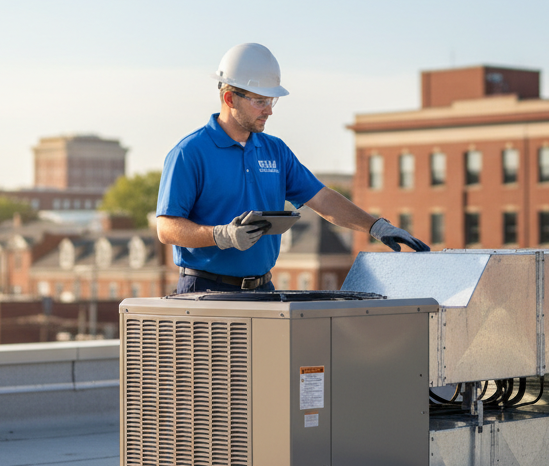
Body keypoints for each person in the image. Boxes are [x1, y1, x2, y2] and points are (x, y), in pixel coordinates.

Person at [156, 43, 428, 294]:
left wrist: (376, 226)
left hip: (263, 290)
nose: (269, 111)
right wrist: (221, 235)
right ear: (229, 99)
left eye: (271, 101)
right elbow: (166, 228)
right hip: (205, 292)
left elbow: (321, 198)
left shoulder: (275, 151)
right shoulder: (189, 153)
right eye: (260, 101)